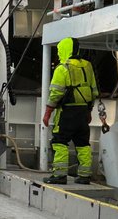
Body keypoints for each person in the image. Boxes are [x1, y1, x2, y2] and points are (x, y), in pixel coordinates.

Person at [42, 37, 99, 185]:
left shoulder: (62, 68)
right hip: (83, 111)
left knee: (59, 141)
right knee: (83, 143)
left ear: (64, 50)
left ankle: (60, 175)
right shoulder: (88, 66)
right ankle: (85, 176)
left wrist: (48, 113)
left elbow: (55, 93)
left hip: (67, 112)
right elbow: (93, 92)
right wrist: (89, 111)